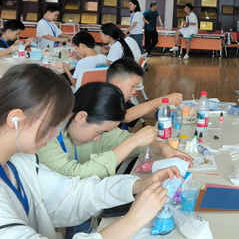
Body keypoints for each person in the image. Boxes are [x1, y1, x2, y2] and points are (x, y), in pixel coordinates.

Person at [0, 63, 183, 238]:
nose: (55, 133)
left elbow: (73, 192)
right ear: (16, 119)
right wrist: (132, 220)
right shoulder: (29, 156)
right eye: (52, 125)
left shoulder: (21, 162)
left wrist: (138, 185)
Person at [38, 82, 192, 179]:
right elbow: (74, 175)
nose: (98, 138)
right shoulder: (44, 138)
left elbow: (124, 140)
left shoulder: (97, 126)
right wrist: (133, 142)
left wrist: (163, 147)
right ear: (81, 117)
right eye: (99, 132)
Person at [107, 58, 183, 132]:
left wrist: (161, 112)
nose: (134, 91)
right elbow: (127, 116)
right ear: (117, 83)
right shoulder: (106, 101)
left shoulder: (121, 100)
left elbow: (140, 113)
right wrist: (162, 100)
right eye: (133, 86)